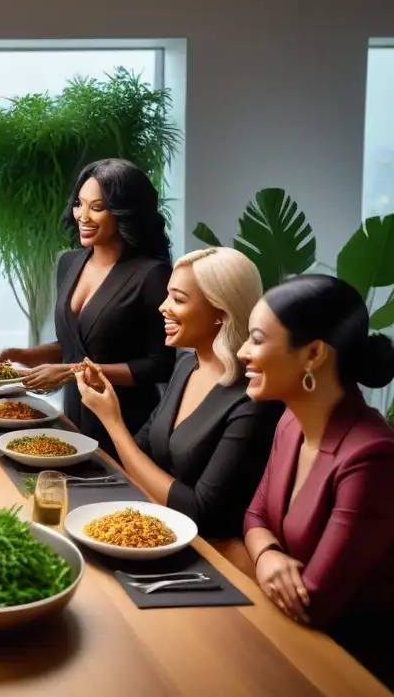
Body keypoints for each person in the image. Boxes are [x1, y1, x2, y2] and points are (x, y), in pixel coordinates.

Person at [240, 275, 394, 687]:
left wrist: (261, 552)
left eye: (256, 340)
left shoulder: (371, 455)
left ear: (312, 354)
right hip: (285, 634)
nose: (243, 352)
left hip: (349, 667)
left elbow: (315, 601)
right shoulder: (291, 422)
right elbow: (254, 516)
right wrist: (268, 555)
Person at [74, 247, 283, 536]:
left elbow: (202, 513)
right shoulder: (186, 364)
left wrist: (113, 421)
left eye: (178, 299)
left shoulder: (253, 399)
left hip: (206, 550)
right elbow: (142, 446)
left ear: (220, 313)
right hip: (153, 527)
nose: (163, 306)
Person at [0, 158, 176, 459]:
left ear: (124, 211)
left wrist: (70, 372)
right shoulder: (69, 262)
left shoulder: (152, 274)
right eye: (79, 204)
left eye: (97, 207)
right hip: (73, 418)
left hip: (126, 423)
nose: (82, 215)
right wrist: (25, 355)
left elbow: (160, 365)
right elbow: (73, 344)